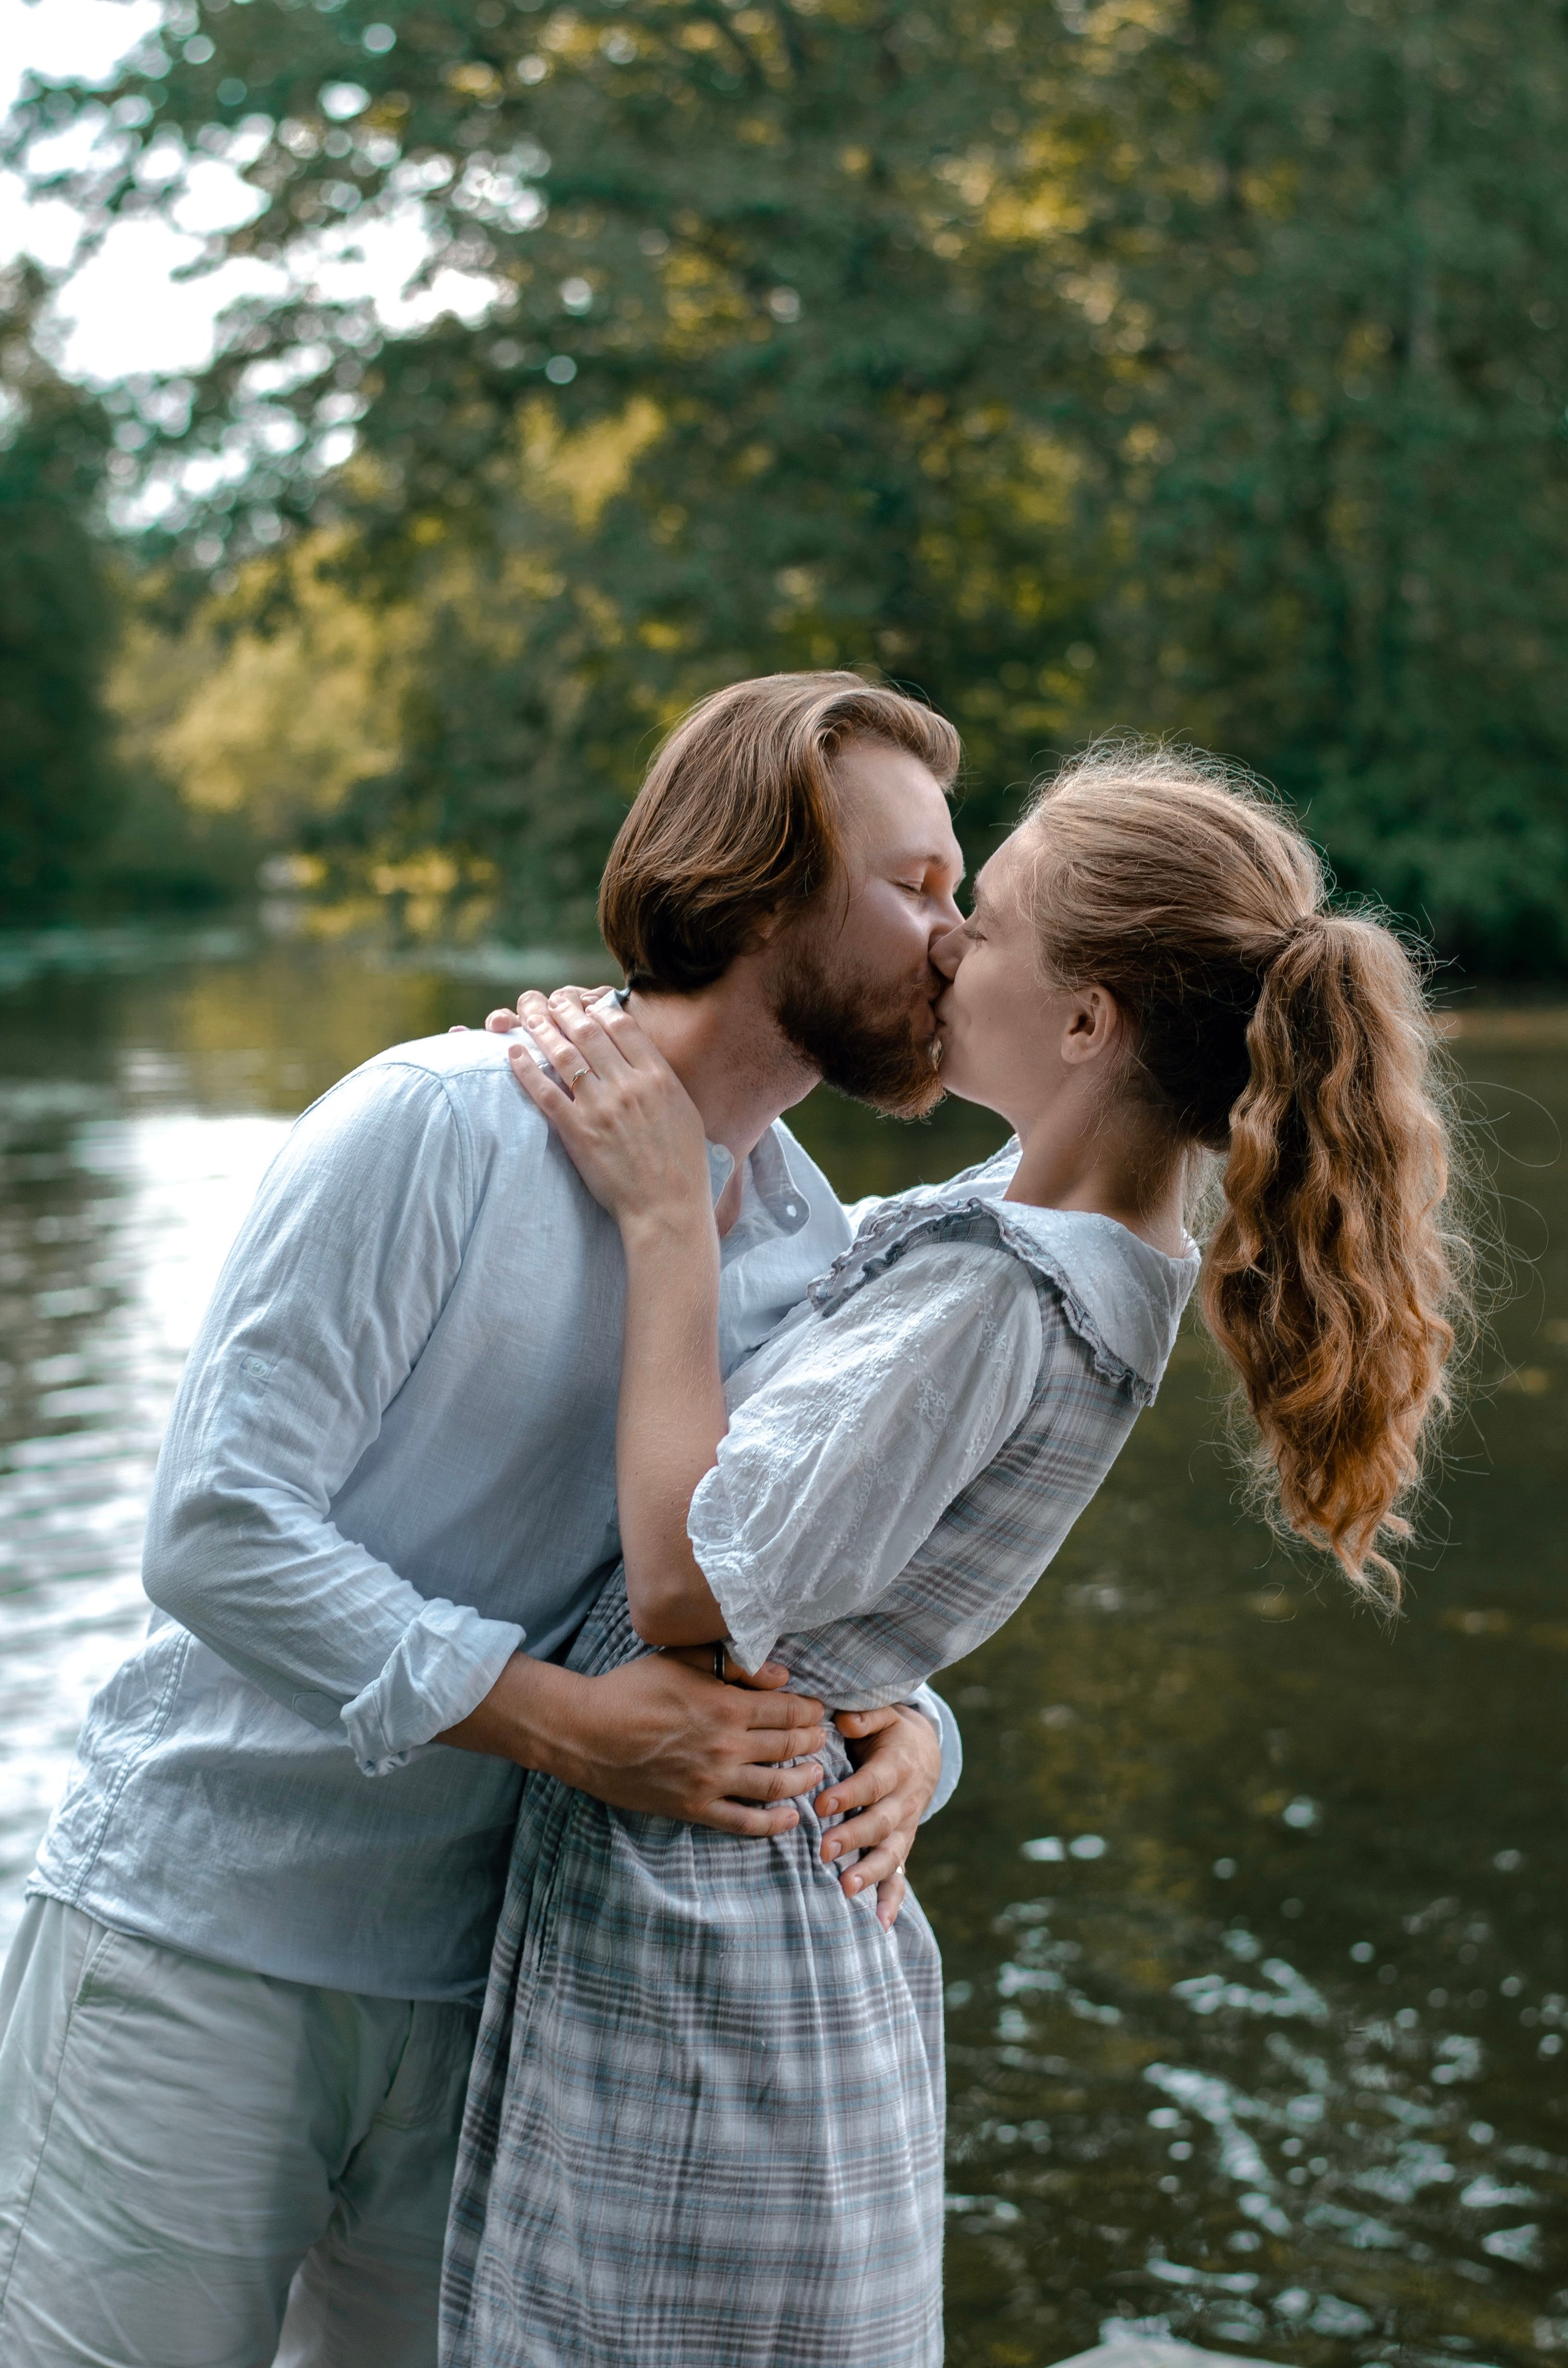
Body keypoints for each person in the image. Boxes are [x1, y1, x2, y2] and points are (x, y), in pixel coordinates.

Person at [441, 743, 1467, 2368]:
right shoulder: (1062, 1229)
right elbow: (867, 1542)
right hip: (760, 1891)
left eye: (980, 922)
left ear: (1085, 1023)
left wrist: (659, 1224)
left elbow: (691, 1582)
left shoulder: (1004, 1292)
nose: (943, 947)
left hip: (715, 1939)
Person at [0, 673, 975, 2368]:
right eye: (919, 888)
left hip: (502, 1997)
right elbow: (216, 1527)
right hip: (197, 1949)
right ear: (761, 894)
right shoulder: (435, 1126)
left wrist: (923, 1739)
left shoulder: (824, 1258)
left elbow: (765, 1591)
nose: (959, 938)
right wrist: (574, 1730)